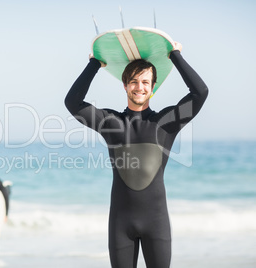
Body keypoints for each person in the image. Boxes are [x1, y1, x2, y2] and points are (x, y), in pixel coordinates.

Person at [64, 43, 208, 268]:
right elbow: (72, 102)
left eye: (145, 82)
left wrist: (175, 56)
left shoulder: (165, 123)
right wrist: (94, 64)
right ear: (125, 85)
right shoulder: (111, 124)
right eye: (133, 81)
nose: (139, 87)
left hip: (156, 224)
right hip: (121, 226)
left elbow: (200, 93)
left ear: (152, 87)